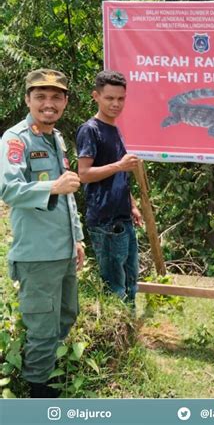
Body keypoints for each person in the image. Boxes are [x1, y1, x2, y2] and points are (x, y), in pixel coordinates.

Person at [0, 69, 84, 398]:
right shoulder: (16, 139)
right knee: (43, 329)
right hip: (38, 255)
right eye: (40, 97)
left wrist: (76, 237)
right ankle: (41, 399)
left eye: (56, 97)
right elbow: (9, 189)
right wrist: (54, 185)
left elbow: (67, 198)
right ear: (27, 100)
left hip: (62, 250)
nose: (48, 104)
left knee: (66, 315)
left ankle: (49, 375)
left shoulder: (55, 137)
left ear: (64, 101)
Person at [76, 70, 142, 305]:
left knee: (131, 278)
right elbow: (83, 174)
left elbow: (121, 175)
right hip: (105, 221)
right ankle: (118, 339)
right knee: (115, 285)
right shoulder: (90, 130)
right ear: (96, 96)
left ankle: (131, 331)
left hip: (122, 217)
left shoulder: (115, 130)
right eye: (109, 98)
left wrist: (132, 205)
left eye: (120, 99)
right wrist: (119, 165)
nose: (116, 104)